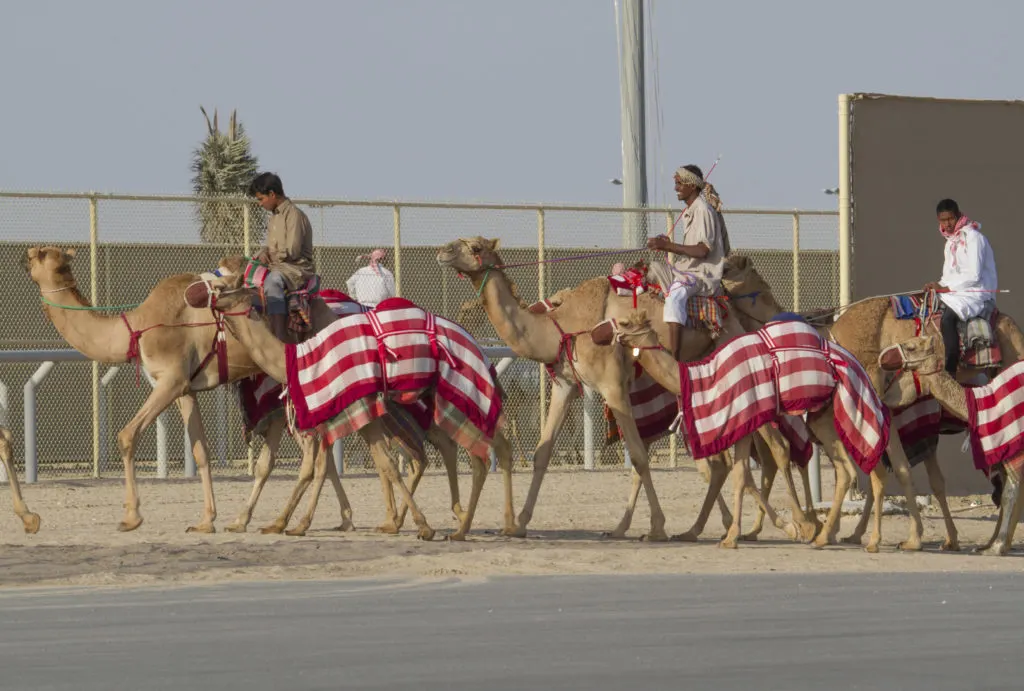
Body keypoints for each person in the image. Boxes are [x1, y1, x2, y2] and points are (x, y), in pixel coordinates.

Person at [646, 164, 738, 361]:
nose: (676, 188)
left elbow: (702, 250)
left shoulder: (703, 211)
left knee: (675, 295)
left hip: (701, 275)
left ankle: (675, 357)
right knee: (649, 272)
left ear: (692, 185)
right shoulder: (691, 211)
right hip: (686, 269)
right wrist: (667, 244)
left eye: (679, 184)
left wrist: (668, 247)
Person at [922, 198, 998, 375]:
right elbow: (947, 277)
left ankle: (951, 369)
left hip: (977, 291)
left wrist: (947, 288)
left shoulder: (974, 238)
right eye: (943, 220)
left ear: (957, 216)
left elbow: (974, 275)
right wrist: (937, 285)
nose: (947, 224)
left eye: (950, 219)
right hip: (958, 292)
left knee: (948, 318)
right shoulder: (950, 243)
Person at [247, 172, 315, 341]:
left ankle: (279, 336)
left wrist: (269, 254)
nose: (260, 204)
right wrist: (262, 253)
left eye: (261, 199)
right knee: (245, 277)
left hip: (295, 268)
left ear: (272, 194)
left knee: (272, 281)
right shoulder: (273, 218)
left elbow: (292, 251)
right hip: (277, 265)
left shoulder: (294, 215)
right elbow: (271, 248)